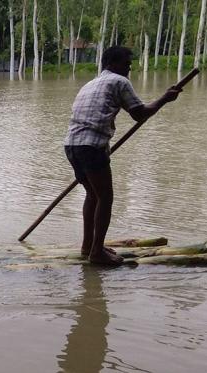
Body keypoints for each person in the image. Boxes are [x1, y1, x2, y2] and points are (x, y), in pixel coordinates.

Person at [64, 46, 181, 266]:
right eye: (126, 63)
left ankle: (88, 246)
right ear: (113, 64)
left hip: (72, 145)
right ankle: (96, 252)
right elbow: (139, 114)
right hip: (91, 146)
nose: (129, 67)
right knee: (105, 197)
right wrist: (165, 98)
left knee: (93, 194)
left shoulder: (90, 84)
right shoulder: (119, 82)